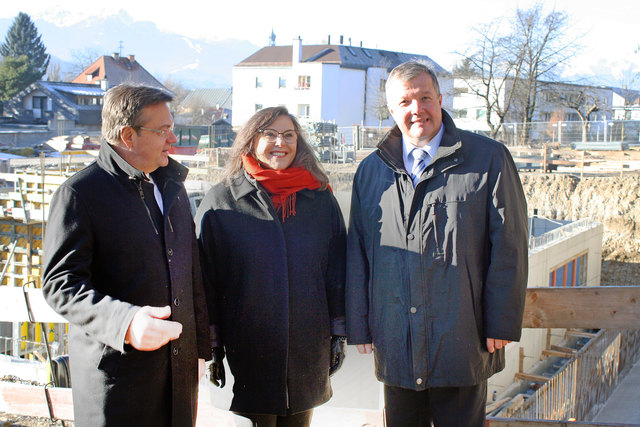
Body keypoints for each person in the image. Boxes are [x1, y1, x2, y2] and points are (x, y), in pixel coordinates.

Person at [345, 61, 528, 427]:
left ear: (440, 100)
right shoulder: (371, 170)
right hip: (397, 339)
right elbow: (358, 253)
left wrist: (501, 323)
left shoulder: (489, 159)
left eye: (425, 98)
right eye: (405, 102)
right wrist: (360, 324)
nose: (417, 110)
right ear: (392, 110)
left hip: (462, 339)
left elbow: (510, 247)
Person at [42, 84, 211, 426]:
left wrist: (199, 349)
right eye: (163, 131)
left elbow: (190, 274)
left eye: (172, 128)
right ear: (128, 135)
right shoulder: (79, 194)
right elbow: (61, 284)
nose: (172, 139)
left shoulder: (173, 189)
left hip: (177, 377)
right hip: (117, 382)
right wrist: (126, 323)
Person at [195, 106, 347, 427]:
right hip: (247, 356)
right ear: (251, 140)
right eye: (270, 134)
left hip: (306, 354)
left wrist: (338, 333)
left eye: (289, 135)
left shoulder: (318, 198)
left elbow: (336, 271)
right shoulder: (222, 201)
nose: (281, 142)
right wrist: (211, 346)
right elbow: (205, 280)